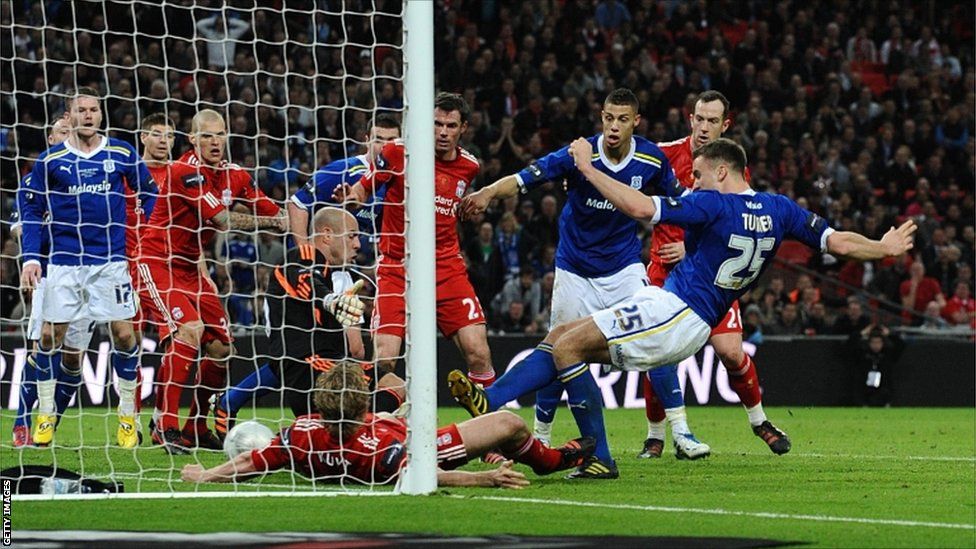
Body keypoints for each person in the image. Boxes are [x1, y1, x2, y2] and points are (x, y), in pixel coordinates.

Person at [448, 138, 915, 479]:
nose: (691, 181)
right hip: (676, 306)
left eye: (697, 173)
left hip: (678, 313)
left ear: (723, 172)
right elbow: (838, 242)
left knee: (568, 347)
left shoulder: (712, 205)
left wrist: (589, 170)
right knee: (559, 337)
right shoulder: (780, 209)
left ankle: (601, 458)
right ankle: (490, 401)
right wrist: (883, 245)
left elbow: (637, 208)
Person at [461, 88, 696, 476]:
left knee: (656, 341)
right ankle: (537, 429)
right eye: (608, 118)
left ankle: (680, 430)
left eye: (622, 119)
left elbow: (685, 206)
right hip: (574, 271)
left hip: (623, 270)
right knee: (559, 349)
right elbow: (523, 179)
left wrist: (689, 247)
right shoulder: (578, 154)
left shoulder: (651, 159)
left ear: (635, 121)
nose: (613, 126)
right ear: (600, 117)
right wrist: (487, 192)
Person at [641, 90, 789, 459]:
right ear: (690, 118)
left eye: (712, 121)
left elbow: (735, 219)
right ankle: (656, 436)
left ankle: (760, 422)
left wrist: (690, 249)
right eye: (699, 119)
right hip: (666, 273)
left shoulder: (730, 166)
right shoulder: (662, 156)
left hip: (711, 275)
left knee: (731, 352)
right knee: (660, 355)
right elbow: (636, 194)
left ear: (726, 125)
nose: (704, 127)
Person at [182, 362, 594, 487]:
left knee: (397, 389)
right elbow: (427, 474)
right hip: (423, 444)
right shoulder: (378, 445)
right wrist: (485, 479)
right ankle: (551, 459)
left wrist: (205, 474)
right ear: (361, 406)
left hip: (380, 434)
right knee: (508, 422)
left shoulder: (299, 436)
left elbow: (249, 462)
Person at [138, 109, 285, 453]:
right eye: (206, 136)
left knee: (221, 349)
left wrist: (292, 216)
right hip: (157, 262)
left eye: (220, 134)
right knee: (189, 331)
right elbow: (221, 219)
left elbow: (271, 209)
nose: (215, 141)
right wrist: (272, 224)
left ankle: (195, 426)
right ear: (192, 140)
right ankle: (165, 424)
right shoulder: (185, 170)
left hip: (192, 268)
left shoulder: (235, 175)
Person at [19, 87, 158, 448]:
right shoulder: (51, 161)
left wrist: (144, 231)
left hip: (110, 263)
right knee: (49, 338)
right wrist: (32, 258)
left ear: (100, 114)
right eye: (81, 110)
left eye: (94, 109)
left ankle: (128, 416)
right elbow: (31, 210)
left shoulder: (121, 152)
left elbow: (150, 192)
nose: (89, 115)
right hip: (64, 264)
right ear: (70, 115)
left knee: (125, 335)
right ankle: (45, 413)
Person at [335, 93, 495, 386]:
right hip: (397, 267)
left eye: (450, 125)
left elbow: (448, 202)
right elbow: (365, 186)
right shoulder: (398, 152)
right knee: (385, 358)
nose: (442, 132)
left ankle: (490, 424)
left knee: (478, 350)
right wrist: (353, 197)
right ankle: (377, 425)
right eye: (436, 124)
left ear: (463, 129)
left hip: (445, 265)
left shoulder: (469, 166)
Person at [212, 208, 403, 436]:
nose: (358, 245)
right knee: (392, 393)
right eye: (352, 236)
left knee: (394, 397)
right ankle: (328, 435)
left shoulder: (330, 274)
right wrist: (332, 301)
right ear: (327, 234)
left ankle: (306, 433)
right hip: (311, 371)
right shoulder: (302, 255)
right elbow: (306, 282)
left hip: (314, 371)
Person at [10, 117, 72, 447]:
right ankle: (21, 420)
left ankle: (49, 427)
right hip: (49, 275)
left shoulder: (86, 180)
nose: (67, 138)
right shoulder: (35, 179)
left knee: (74, 358)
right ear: (50, 138)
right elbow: (22, 228)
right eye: (62, 132)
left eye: (72, 133)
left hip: (86, 274)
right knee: (42, 344)